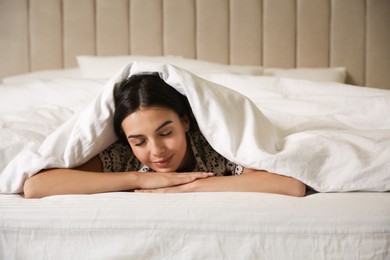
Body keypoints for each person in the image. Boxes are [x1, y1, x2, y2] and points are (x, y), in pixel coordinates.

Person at [23, 73, 306, 198]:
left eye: (166, 132)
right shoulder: (122, 154)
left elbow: (291, 185)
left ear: (184, 121)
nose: (156, 150)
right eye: (139, 141)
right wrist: (142, 178)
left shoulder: (215, 145)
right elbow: (36, 187)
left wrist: (186, 186)